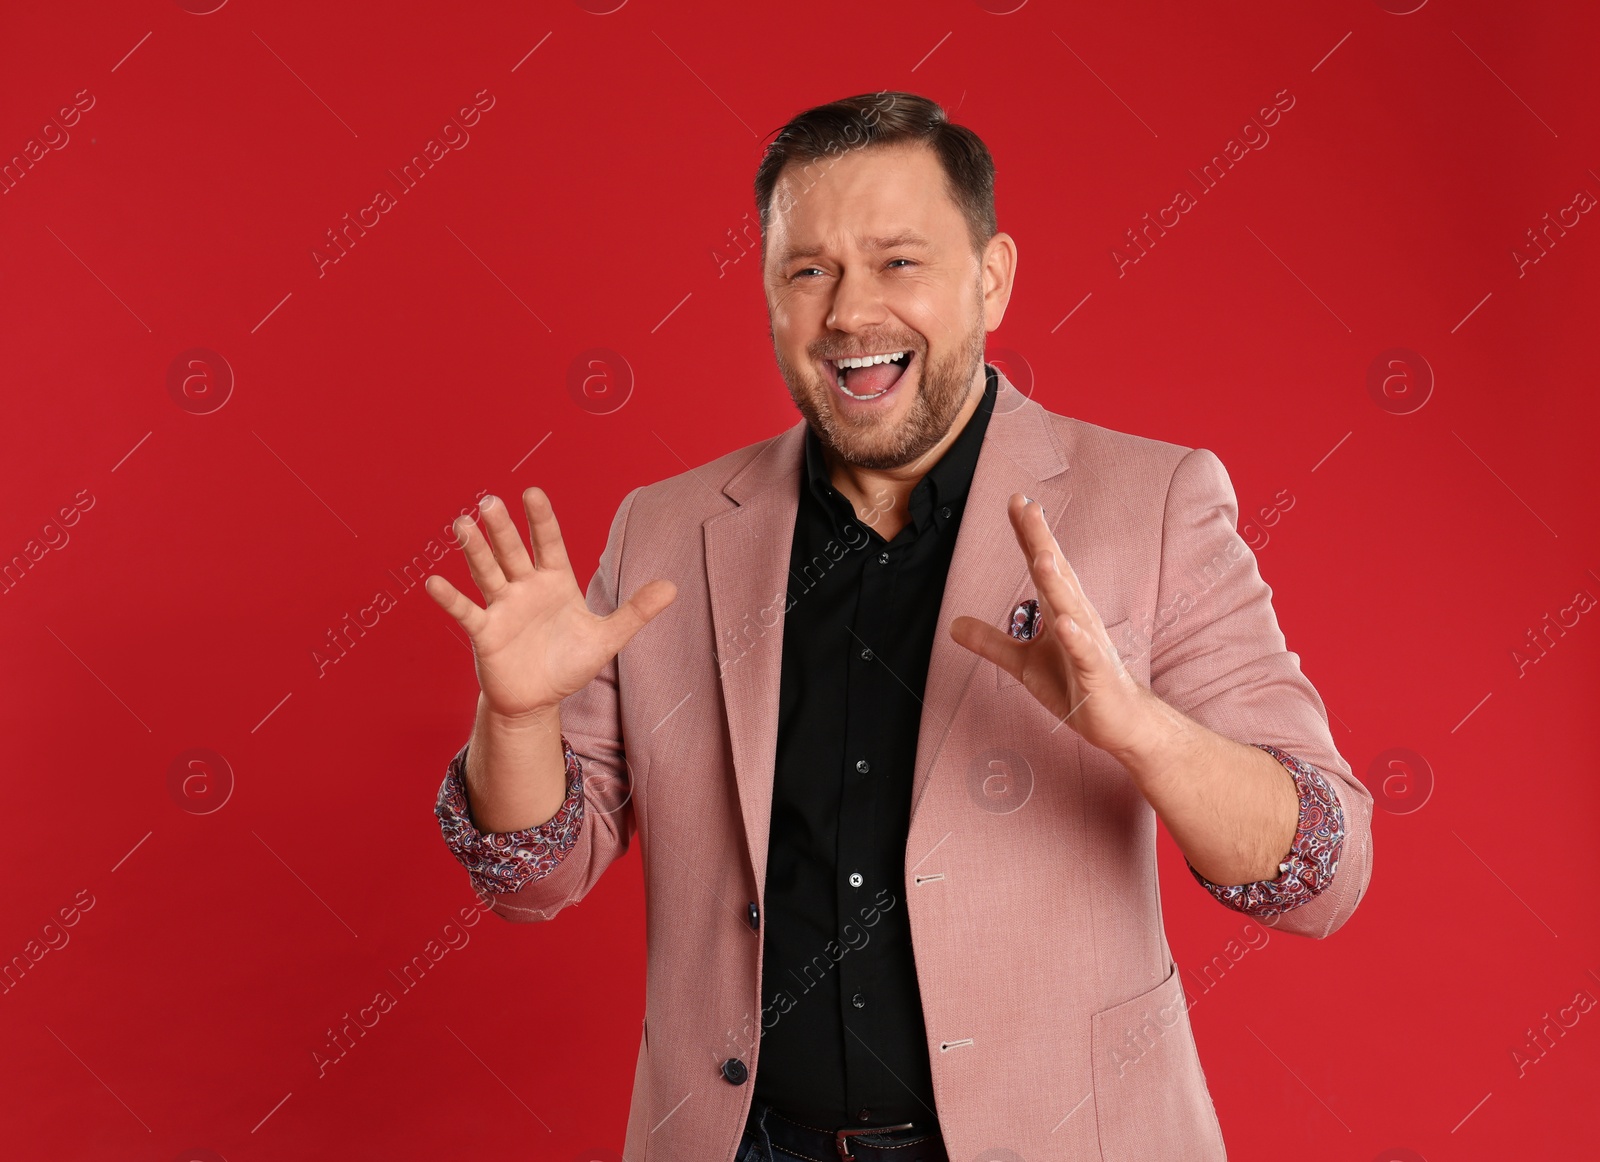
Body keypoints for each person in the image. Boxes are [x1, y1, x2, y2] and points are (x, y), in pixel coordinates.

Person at [424, 91, 1372, 1162]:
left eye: (898, 262)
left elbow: (1319, 876)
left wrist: (1142, 730)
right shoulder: (666, 528)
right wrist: (515, 715)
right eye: (807, 269)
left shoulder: (1152, 503)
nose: (847, 312)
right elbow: (531, 880)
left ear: (993, 277)